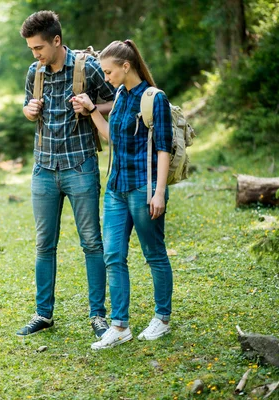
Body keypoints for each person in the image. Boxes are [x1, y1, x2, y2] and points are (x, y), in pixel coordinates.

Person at [16, 10, 116, 338]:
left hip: (80, 167)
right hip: (43, 169)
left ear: (56, 41)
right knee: (44, 244)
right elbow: (30, 108)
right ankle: (43, 315)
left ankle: (98, 316)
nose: (35, 54)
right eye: (31, 49)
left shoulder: (88, 68)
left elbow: (118, 103)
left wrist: (91, 107)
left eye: (38, 48)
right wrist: (28, 111)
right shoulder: (35, 72)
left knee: (92, 243)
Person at [71, 39, 174, 349]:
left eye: (109, 71)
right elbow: (112, 136)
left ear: (126, 66)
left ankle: (163, 319)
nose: (106, 77)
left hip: (144, 190)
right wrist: (91, 111)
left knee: (154, 254)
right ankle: (119, 326)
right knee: (113, 255)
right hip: (116, 188)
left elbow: (164, 148)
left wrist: (159, 193)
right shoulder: (119, 94)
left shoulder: (154, 99)